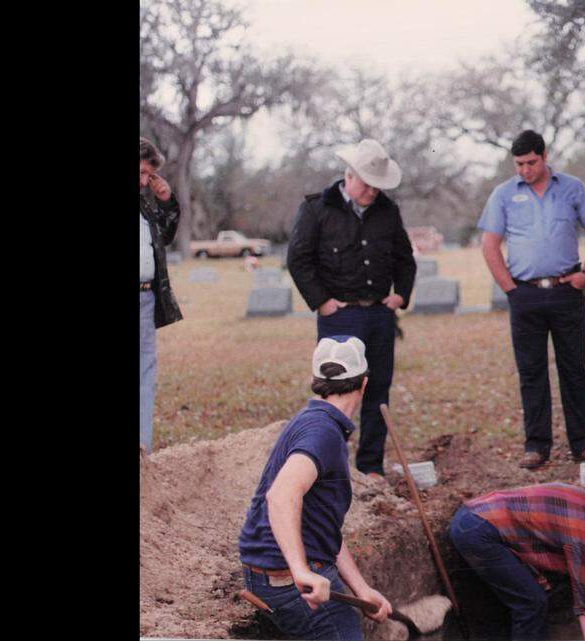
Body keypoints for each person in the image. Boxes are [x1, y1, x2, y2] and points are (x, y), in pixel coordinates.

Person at [238, 335, 393, 640]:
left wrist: (362, 589)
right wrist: (300, 570)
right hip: (287, 580)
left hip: (286, 574)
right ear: (363, 384)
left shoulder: (316, 422)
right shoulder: (322, 433)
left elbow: (323, 530)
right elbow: (281, 495)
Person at [478, 130, 585, 468]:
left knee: (573, 370)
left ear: (544, 155)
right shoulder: (504, 195)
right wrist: (509, 288)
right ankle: (536, 446)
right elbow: (490, 243)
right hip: (525, 294)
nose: (525, 170)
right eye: (519, 164)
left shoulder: (572, 188)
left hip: (567, 291)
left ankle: (584, 443)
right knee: (531, 372)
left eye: (531, 162)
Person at [287, 139, 416, 478]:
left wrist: (400, 294)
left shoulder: (387, 210)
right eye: (368, 184)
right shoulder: (317, 208)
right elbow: (298, 260)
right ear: (350, 175)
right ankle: (331, 467)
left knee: (378, 389)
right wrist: (323, 303)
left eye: (378, 186)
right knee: (337, 390)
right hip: (339, 316)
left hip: (378, 314)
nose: (373, 192)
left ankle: (370, 467)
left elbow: (405, 257)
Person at [448, 482, 585, 641]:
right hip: (478, 530)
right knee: (531, 603)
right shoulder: (584, 533)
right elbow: (584, 595)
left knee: (529, 593)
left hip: (473, 515)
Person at [139, 137, 183, 455]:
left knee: (145, 375)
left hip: (145, 299)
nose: (144, 181)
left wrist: (166, 200)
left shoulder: (145, 204)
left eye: (148, 176)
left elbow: (164, 237)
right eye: (140, 173)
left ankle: (143, 451)